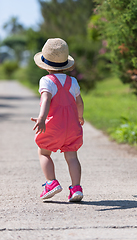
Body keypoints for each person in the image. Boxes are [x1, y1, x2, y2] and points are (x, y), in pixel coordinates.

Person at [31, 38, 84, 202]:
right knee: (72, 156)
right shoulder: (73, 81)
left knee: (44, 152)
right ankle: (76, 188)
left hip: (54, 125)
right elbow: (80, 102)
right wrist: (80, 117)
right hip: (72, 125)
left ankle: (51, 183)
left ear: (46, 65)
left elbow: (46, 100)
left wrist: (41, 117)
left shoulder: (46, 80)